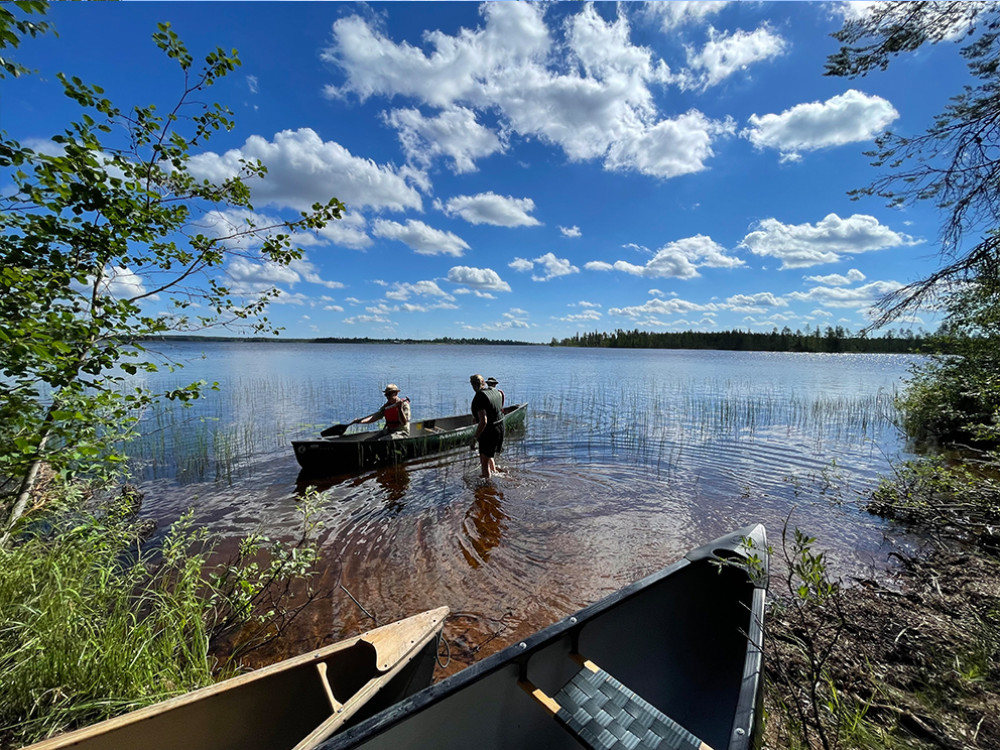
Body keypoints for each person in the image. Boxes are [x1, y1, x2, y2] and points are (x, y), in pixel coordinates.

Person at [469, 373, 504, 478]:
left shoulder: (479, 397)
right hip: (500, 428)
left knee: (484, 464)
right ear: (483, 383)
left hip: (490, 432)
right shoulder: (495, 391)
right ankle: (494, 472)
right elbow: (495, 409)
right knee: (489, 455)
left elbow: (484, 421)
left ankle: (488, 487)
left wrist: (475, 438)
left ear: (472, 385)